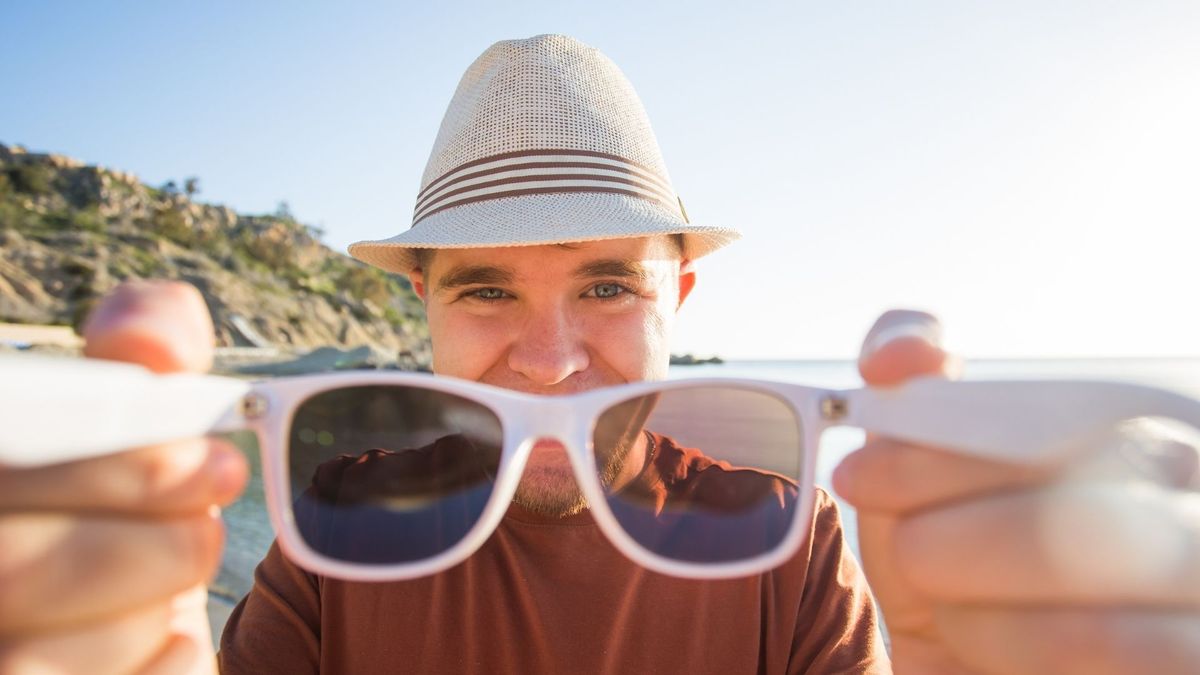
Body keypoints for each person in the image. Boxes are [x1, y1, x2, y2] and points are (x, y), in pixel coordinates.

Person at [0, 34, 1196, 674]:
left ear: (680, 294)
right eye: (484, 289)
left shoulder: (789, 538)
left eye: (609, 284)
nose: (553, 360)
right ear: (423, 303)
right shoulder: (334, 534)